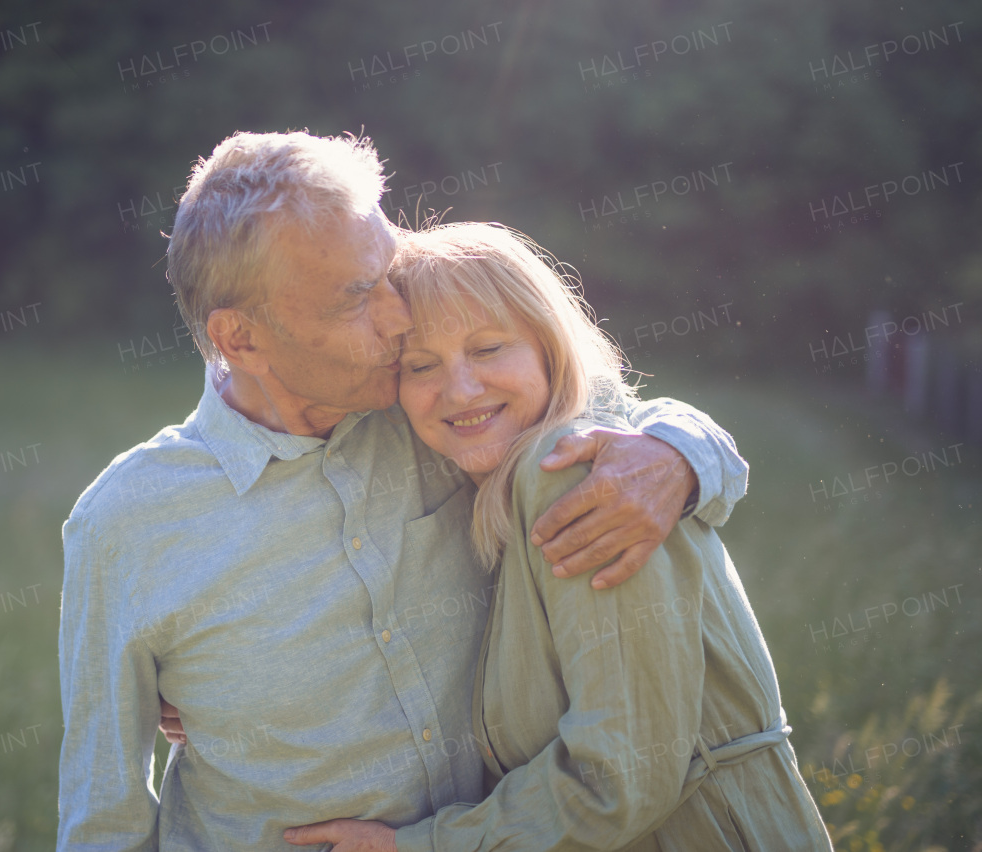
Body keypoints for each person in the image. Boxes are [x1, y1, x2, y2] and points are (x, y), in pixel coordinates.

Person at [57, 131, 750, 851]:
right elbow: (102, 817)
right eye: (356, 298)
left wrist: (681, 457)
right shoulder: (126, 523)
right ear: (242, 339)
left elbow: (606, 418)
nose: (397, 316)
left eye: (386, 275)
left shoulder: (441, 413)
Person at [283, 222, 831, 851]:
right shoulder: (480, 486)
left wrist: (422, 847)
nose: (459, 389)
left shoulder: (573, 475)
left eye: (489, 349)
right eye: (421, 364)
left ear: (549, 346)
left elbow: (618, 777)